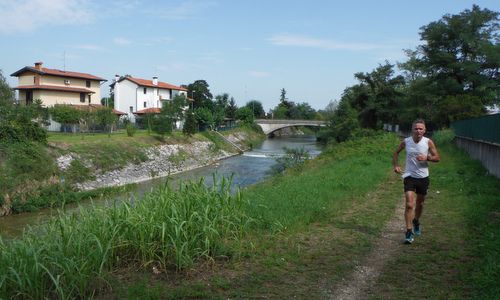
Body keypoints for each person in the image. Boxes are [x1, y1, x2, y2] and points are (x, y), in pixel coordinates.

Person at [393, 119, 440, 244]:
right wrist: (396, 165)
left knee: (420, 204)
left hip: (423, 177)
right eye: (416, 128)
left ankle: (416, 221)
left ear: (424, 131)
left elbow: (437, 158)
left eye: (421, 129)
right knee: (409, 204)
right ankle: (409, 231)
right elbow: (396, 152)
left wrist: (427, 157)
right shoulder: (406, 142)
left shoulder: (428, 142)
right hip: (409, 176)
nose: (418, 130)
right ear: (412, 130)